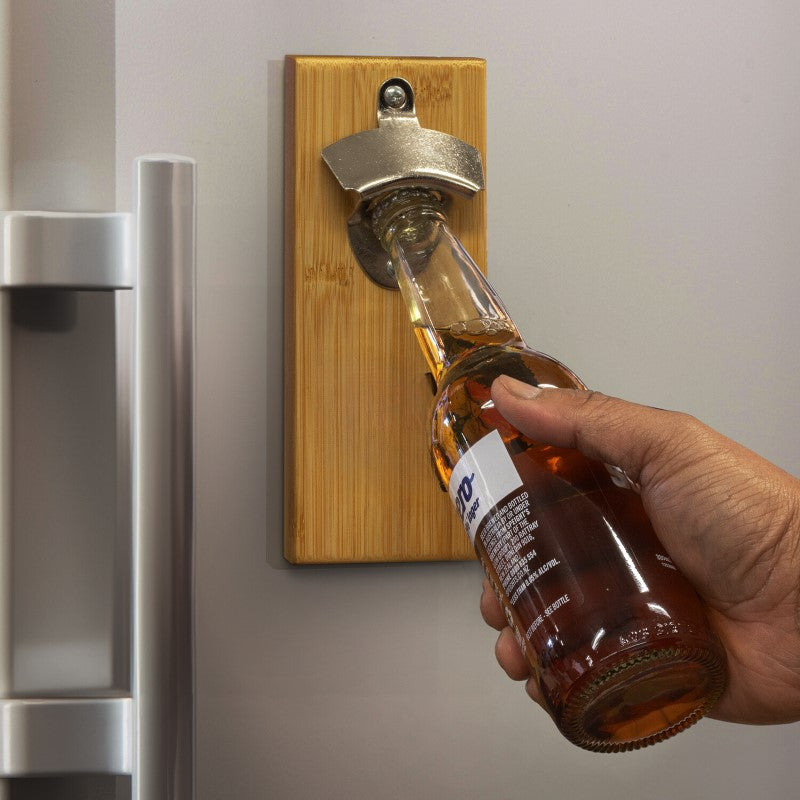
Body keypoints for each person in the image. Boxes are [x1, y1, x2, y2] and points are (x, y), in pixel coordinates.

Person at [480, 375, 800, 725]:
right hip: (648, 652)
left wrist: (784, 561)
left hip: (681, 634)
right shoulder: (455, 411)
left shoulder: (528, 375)